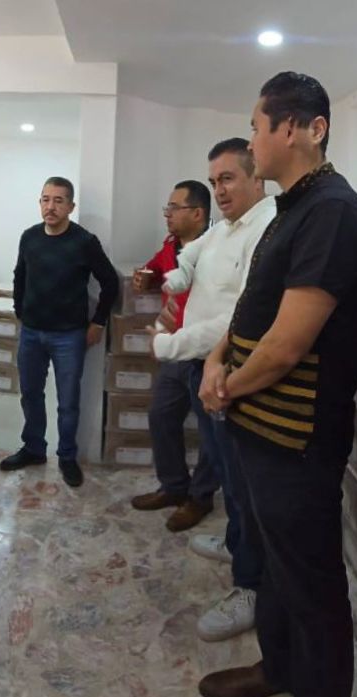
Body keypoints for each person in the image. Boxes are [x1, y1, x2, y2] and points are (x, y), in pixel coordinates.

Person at [197, 73, 357, 697]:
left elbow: (289, 343)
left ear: (306, 128)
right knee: (273, 564)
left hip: (296, 436)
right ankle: (279, 667)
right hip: (257, 425)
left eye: (257, 126)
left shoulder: (333, 211)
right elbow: (254, 308)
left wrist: (226, 388)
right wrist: (218, 357)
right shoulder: (291, 209)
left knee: (312, 588)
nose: (251, 141)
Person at [154, 141, 274, 643]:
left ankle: (251, 587)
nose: (219, 190)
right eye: (214, 181)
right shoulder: (223, 229)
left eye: (228, 179)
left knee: (243, 484)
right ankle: (236, 544)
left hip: (233, 374)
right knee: (226, 471)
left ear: (256, 178)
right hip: (205, 367)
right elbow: (187, 264)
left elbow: (240, 316)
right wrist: (170, 281)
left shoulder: (266, 228)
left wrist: (171, 344)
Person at [0, 176, 119, 487]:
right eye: (45, 199)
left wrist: (98, 322)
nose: (50, 207)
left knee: (67, 401)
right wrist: (21, 312)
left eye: (58, 200)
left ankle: (67, 456)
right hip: (31, 333)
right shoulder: (29, 237)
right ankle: (33, 448)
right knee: (30, 394)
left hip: (69, 336)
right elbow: (19, 277)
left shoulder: (84, 242)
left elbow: (110, 283)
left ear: (71, 206)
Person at [129, 180, 219, 530]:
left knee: (211, 434)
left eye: (174, 208)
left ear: (197, 213)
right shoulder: (170, 246)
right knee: (161, 417)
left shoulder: (219, 248)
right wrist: (146, 279)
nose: (167, 214)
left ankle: (200, 498)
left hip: (208, 354)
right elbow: (155, 269)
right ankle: (174, 486)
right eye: (166, 208)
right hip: (176, 350)